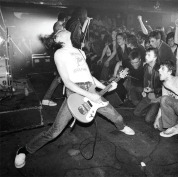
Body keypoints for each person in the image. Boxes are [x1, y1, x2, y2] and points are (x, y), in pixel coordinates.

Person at [14, 29, 135, 169]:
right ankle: (25, 150)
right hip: (75, 92)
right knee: (55, 131)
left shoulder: (80, 51)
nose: (63, 29)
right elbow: (66, 81)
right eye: (59, 31)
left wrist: (107, 87)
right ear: (58, 39)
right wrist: (90, 96)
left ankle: (121, 127)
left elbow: (90, 77)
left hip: (90, 87)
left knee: (118, 118)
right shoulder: (59, 54)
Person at [134, 47, 161, 123]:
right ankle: (151, 109)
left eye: (149, 55)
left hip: (157, 98)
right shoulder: (146, 66)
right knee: (136, 113)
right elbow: (146, 81)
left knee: (148, 119)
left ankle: (157, 110)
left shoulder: (159, 70)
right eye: (146, 54)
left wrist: (152, 90)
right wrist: (144, 90)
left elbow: (164, 88)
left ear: (155, 57)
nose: (146, 57)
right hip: (148, 96)